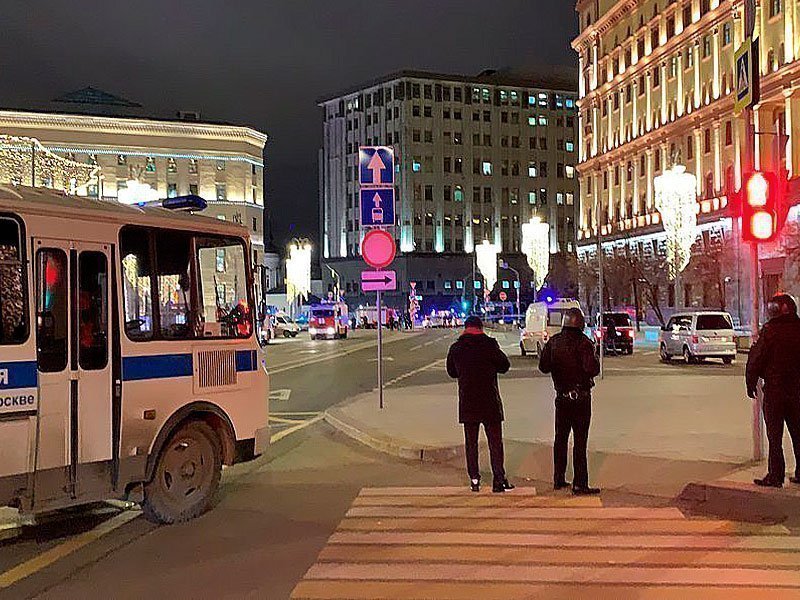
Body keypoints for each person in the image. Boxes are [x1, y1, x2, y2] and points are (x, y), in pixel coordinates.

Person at [446, 316, 514, 493]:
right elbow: (505, 366)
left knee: (471, 443)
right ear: (481, 328)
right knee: (495, 443)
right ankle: (498, 479)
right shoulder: (489, 345)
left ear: (466, 328)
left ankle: (474, 480)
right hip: (489, 400)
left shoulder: (456, 348)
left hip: (468, 401)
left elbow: (451, 371)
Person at [539, 307, 601, 495]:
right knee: (580, 441)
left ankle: (558, 478)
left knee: (561, 439)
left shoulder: (554, 342)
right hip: (581, 398)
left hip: (562, 398)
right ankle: (579, 483)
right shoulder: (584, 343)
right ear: (580, 324)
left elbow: (543, 367)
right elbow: (592, 369)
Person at [746, 293, 800, 488]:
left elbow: (757, 358)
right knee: (798, 432)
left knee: (775, 436)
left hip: (775, 391)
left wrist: (751, 382)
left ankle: (776, 475)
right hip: (797, 391)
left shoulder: (770, 331)